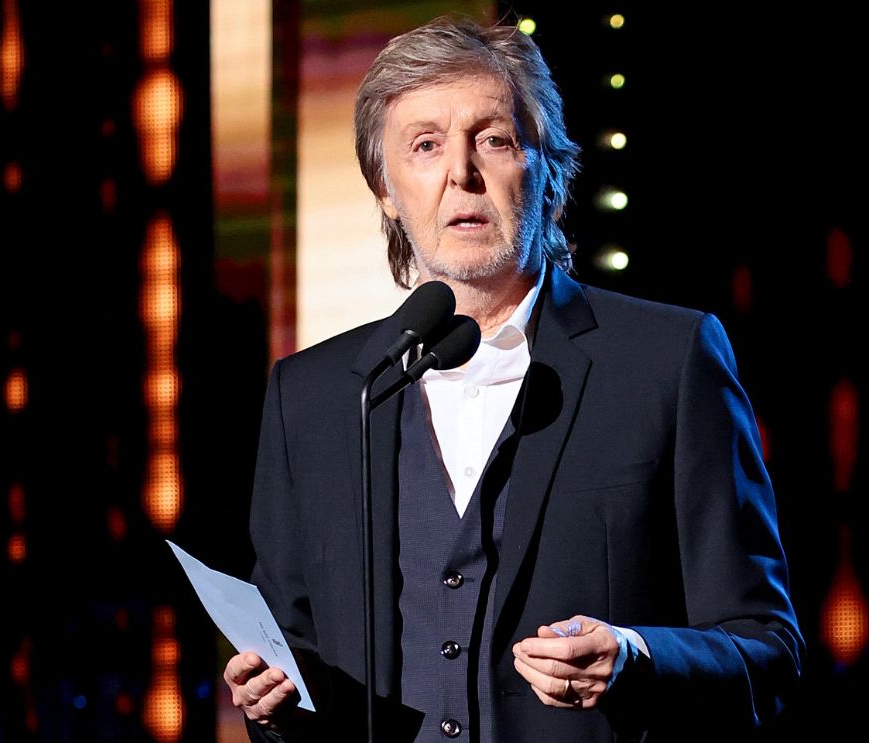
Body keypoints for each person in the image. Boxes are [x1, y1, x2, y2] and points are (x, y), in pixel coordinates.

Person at [223, 15, 802, 743]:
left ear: (549, 169)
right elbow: (293, 660)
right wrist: (270, 704)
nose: (459, 174)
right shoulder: (313, 394)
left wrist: (637, 657)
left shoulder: (667, 359)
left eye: (492, 139)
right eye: (424, 145)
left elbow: (766, 651)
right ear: (384, 189)